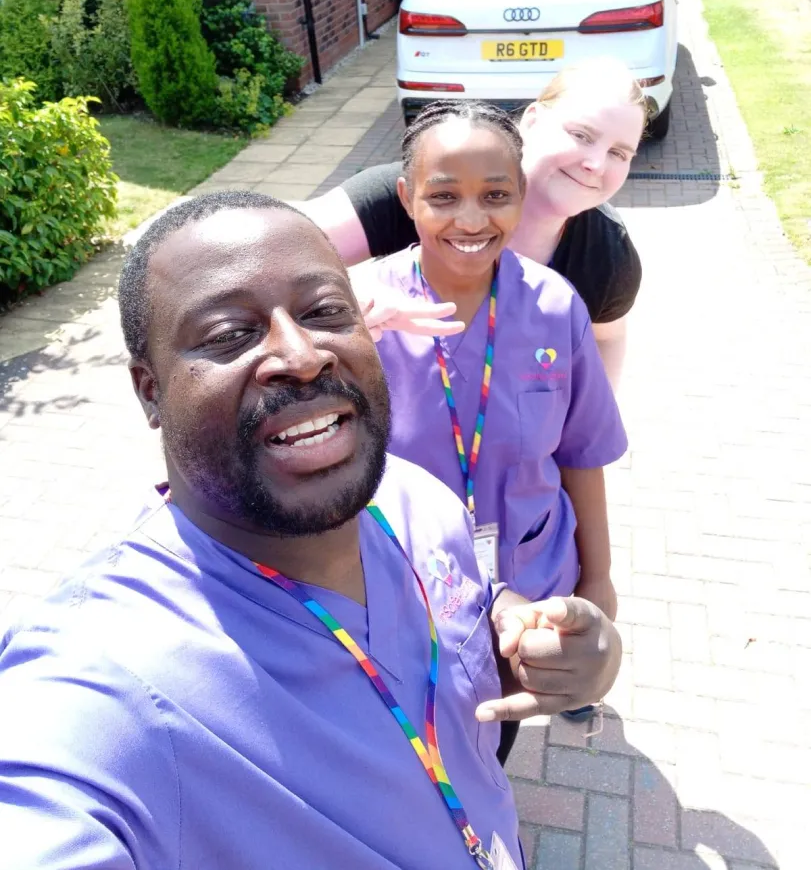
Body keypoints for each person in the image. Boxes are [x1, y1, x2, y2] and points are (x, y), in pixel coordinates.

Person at [0, 192, 621, 870]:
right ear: (150, 390)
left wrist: (545, 642)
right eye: (229, 334)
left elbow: (464, 610)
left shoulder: (414, 499)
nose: (300, 355)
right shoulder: (102, 678)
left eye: (325, 311)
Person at [359, 102, 626, 759]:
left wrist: (597, 578)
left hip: (529, 581)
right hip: (405, 590)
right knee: (408, 746)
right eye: (443, 196)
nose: (472, 220)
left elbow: (580, 453)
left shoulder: (554, 305)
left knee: (491, 732)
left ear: (521, 196)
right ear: (407, 197)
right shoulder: (362, 313)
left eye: (496, 195)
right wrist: (347, 334)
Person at [297, 58, 647, 387]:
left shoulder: (607, 254)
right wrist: (348, 298)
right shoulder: (425, 192)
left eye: (619, 153)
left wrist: (587, 428)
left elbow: (608, 337)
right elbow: (271, 246)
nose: (596, 164)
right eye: (582, 135)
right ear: (533, 120)